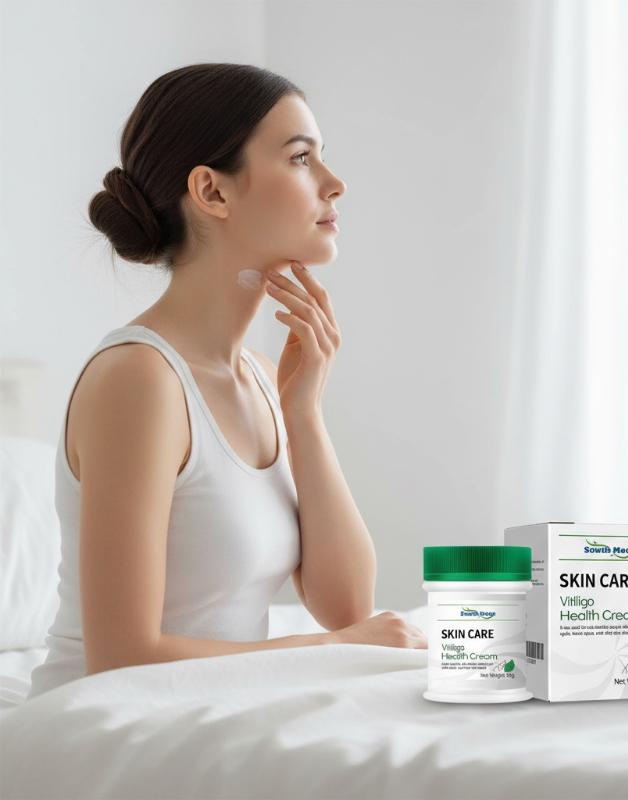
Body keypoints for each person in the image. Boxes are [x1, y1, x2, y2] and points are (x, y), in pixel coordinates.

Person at [27, 63, 425, 699]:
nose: (335, 183)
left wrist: (303, 414)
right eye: (301, 158)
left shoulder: (262, 379)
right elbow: (121, 658)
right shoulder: (139, 380)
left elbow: (347, 605)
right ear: (212, 192)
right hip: (106, 723)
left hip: (212, 711)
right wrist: (336, 651)